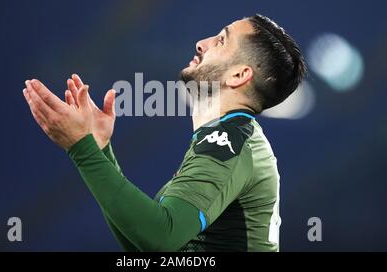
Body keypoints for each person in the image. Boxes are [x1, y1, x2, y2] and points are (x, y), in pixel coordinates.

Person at [22, 14, 307, 251]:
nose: (201, 44)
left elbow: (161, 237)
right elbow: (147, 246)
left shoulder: (228, 142)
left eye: (221, 40)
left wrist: (82, 150)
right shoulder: (229, 137)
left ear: (238, 75)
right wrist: (98, 149)